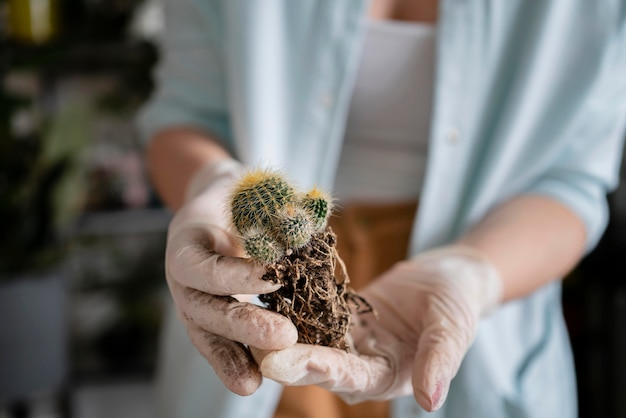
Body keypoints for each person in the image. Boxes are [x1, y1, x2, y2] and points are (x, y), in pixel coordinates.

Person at [136, 0, 626, 417]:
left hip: (492, 278)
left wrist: (473, 273)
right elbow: (185, 114)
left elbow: (572, 179)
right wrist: (212, 184)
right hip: (259, 275)